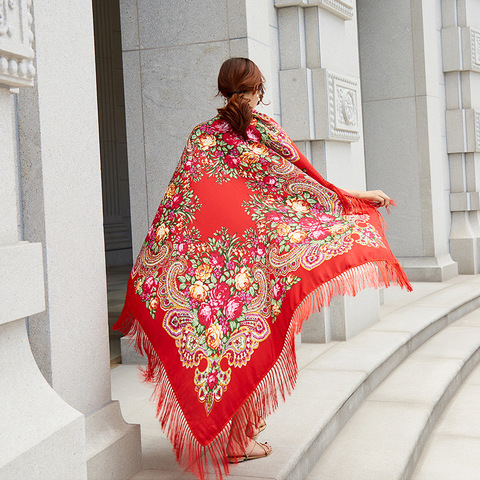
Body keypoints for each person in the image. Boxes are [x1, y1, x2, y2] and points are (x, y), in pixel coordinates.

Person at [113, 57, 412, 480]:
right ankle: (239, 441)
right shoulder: (262, 132)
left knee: (229, 340)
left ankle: (239, 435)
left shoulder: (201, 136)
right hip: (250, 264)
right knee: (251, 336)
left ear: (223, 90)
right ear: (255, 91)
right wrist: (358, 198)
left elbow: (176, 210)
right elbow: (306, 187)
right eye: (260, 89)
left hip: (208, 266)